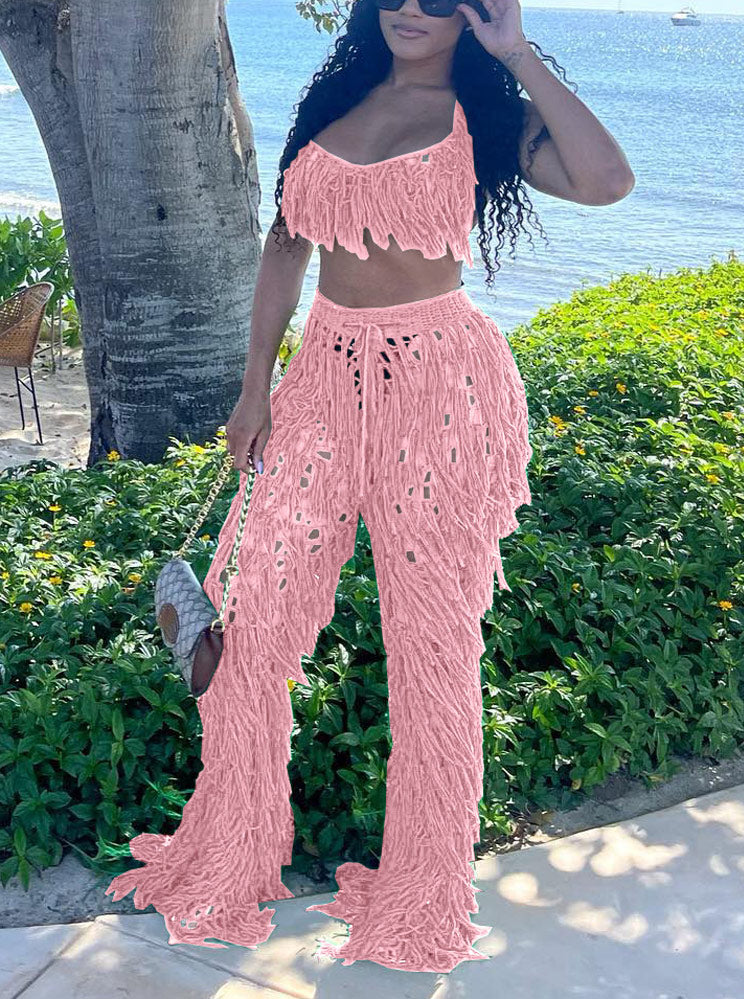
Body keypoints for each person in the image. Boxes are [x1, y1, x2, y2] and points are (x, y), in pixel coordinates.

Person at [105, 0, 635, 973]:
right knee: (249, 618)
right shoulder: (336, 102)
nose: (411, 9)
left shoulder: (485, 113)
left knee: (432, 649)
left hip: (440, 386)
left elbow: (607, 180)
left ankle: (424, 886)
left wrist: (519, 54)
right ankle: (233, 848)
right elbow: (285, 245)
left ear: (474, 12)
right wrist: (254, 386)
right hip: (319, 381)